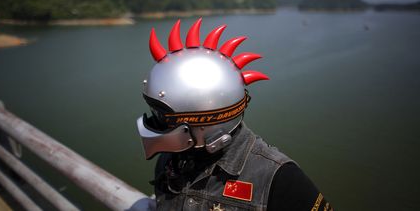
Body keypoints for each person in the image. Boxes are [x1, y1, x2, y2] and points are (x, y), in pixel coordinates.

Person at [136, 18, 332, 211]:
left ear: (201, 123)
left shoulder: (278, 177)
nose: (155, 123)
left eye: (162, 115)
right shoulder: (171, 160)